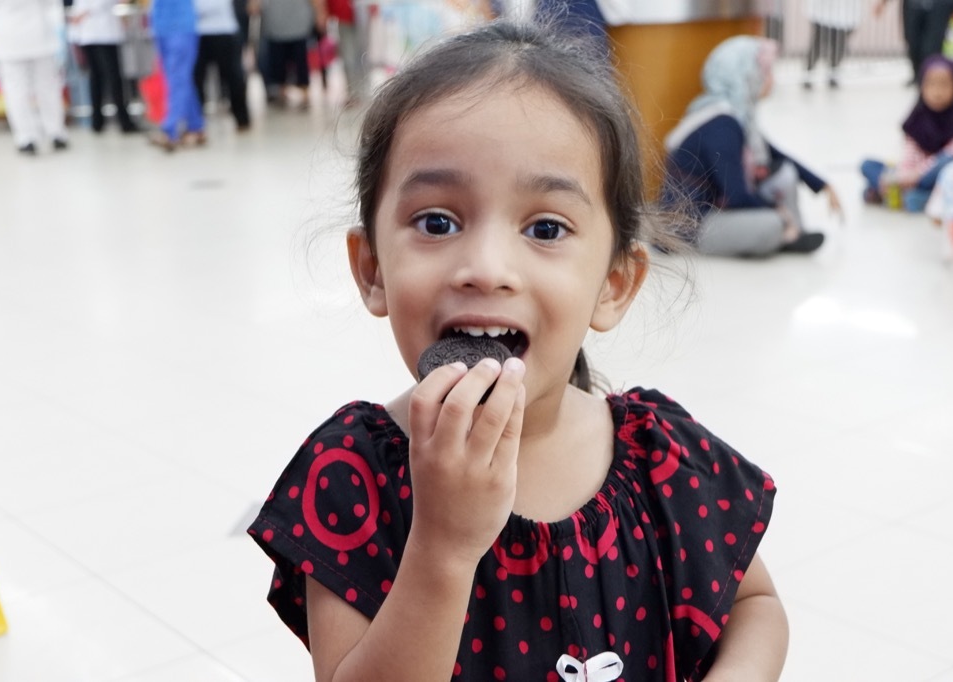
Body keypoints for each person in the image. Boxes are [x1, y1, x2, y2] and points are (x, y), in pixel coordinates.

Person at [248, 20, 788, 681]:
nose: (486, 267)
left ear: (614, 285)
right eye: (437, 222)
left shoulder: (662, 459)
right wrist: (443, 547)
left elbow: (756, 606)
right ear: (372, 269)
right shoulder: (351, 476)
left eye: (545, 227)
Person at [661, 36, 842, 257]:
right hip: (688, 228)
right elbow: (736, 195)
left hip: (710, 212)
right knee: (771, 224)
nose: (770, 80)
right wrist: (778, 211)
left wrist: (824, 186)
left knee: (783, 174)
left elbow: (776, 155)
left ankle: (790, 233)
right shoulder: (722, 125)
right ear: (745, 77)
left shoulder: (732, 116)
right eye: (764, 72)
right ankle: (785, 232)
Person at [861, 54, 953, 211]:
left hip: (940, 176)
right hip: (913, 175)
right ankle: (907, 194)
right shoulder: (917, 115)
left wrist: (917, 175)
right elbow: (910, 150)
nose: (937, 92)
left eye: (944, 85)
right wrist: (904, 175)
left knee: (945, 164)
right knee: (867, 165)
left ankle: (896, 195)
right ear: (922, 87)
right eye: (931, 85)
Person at [0, 0, 70, 154]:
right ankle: (56, 133)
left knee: (15, 91)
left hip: (7, 37)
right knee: (48, 87)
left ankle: (26, 138)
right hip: (40, 34)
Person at [69, 0, 141, 133]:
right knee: (112, 77)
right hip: (102, 33)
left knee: (96, 77)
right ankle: (123, 121)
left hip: (90, 31)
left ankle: (98, 121)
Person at [148, 0, 206, 150]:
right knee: (179, 80)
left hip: (180, 27)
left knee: (178, 80)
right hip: (161, 26)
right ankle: (196, 126)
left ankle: (170, 130)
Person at [194, 0, 251, 131]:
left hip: (225, 30)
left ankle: (242, 118)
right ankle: (196, 123)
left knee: (233, 77)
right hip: (198, 32)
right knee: (196, 79)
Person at [877, 0, 953, 85]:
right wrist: (883, 3)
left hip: (938, 6)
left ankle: (931, 76)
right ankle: (918, 75)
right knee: (913, 43)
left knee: (932, 46)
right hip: (913, 6)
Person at [803, 0, 863, 89]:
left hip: (845, 11)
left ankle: (833, 73)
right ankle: (808, 74)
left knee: (839, 44)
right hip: (823, 10)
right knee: (818, 42)